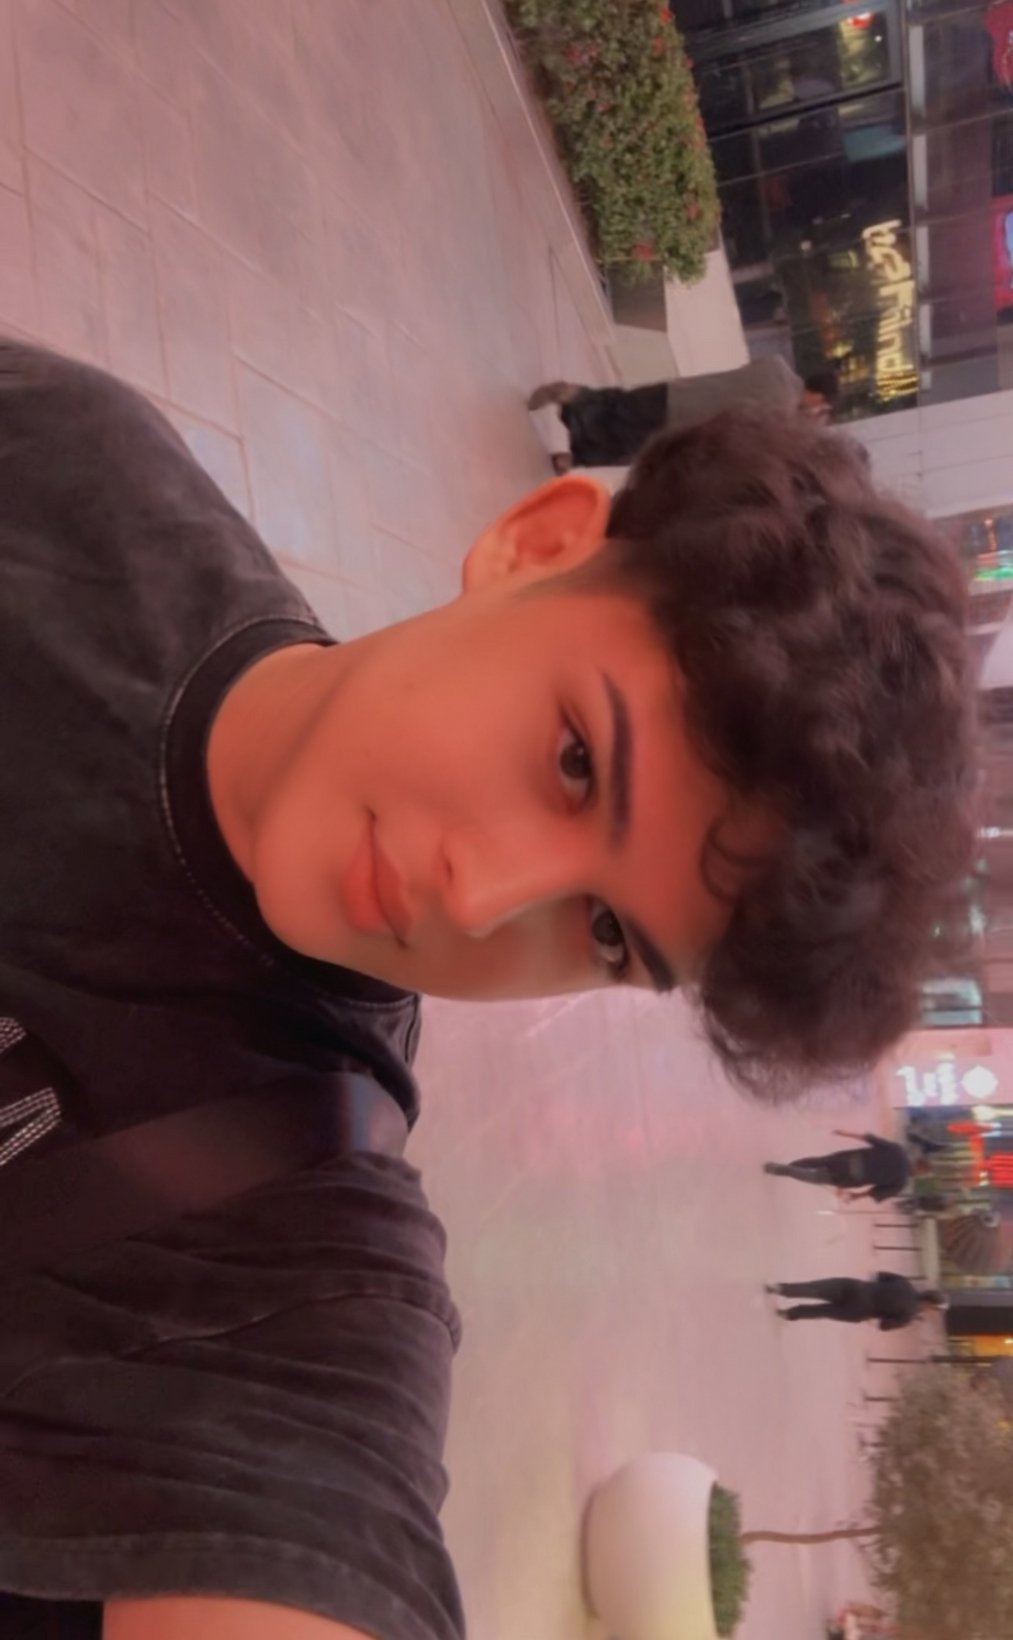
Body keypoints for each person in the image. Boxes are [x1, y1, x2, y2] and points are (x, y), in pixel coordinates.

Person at [0, 338, 977, 1638]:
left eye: (607, 931)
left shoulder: (295, 1254)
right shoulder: (60, 466)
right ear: (536, 543)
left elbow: (315, 1512)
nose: (478, 900)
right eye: (575, 760)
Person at [527, 358, 838, 474]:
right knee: (629, 450)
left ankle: (575, 395)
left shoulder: (775, 364)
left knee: (620, 404)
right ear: (818, 398)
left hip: (678, 392)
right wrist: (806, 421)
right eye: (820, 406)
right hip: (683, 424)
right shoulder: (782, 415)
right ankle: (568, 460)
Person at [764, 1129, 918, 1203]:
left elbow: (870, 1138)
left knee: (817, 1161)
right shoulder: (900, 1183)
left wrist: (844, 1133)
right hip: (853, 1178)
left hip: (850, 1158)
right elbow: (875, 1192)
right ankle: (784, 1170)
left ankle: (785, 1168)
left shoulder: (898, 1150)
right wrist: (855, 1196)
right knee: (815, 1177)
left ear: (915, 1161)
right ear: (916, 1174)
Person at [767, 1276, 949, 1328]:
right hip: (858, 1311)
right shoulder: (908, 1315)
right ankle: (788, 1313)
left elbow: (881, 1275)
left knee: (816, 1288)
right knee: (823, 1311)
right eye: (934, 1310)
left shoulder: (905, 1283)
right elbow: (885, 1325)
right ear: (930, 1305)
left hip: (856, 1288)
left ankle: (781, 1288)